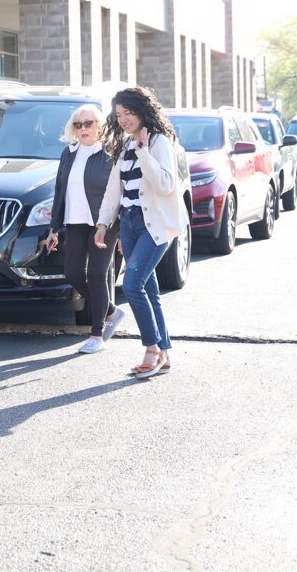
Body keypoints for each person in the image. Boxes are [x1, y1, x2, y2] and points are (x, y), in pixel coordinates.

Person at [94, 86, 188, 379]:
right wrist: (103, 223)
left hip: (154, 225)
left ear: (142, 111)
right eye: (119, 114)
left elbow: (164, 185)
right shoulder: (125, 145)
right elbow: (114, 188)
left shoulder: (159, 143)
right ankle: (165, 352)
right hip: (130, 223)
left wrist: (144, 151)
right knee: (149, 289)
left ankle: (152, 348)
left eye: (129, 112)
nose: (123, 119)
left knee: (132, 284)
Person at [42, 104, 125, 354]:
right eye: (78, 124)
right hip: (76, 221)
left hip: (104, 223)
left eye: (88, 123)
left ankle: (97, 334)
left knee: (97, 276)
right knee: (73, 274)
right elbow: (59, 191)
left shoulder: (111, 154)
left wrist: (120, 228)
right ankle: (111, 310)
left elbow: (120, 193)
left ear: (99, 126)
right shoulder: (68, 153)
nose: (83, 129)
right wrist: (53, 229)